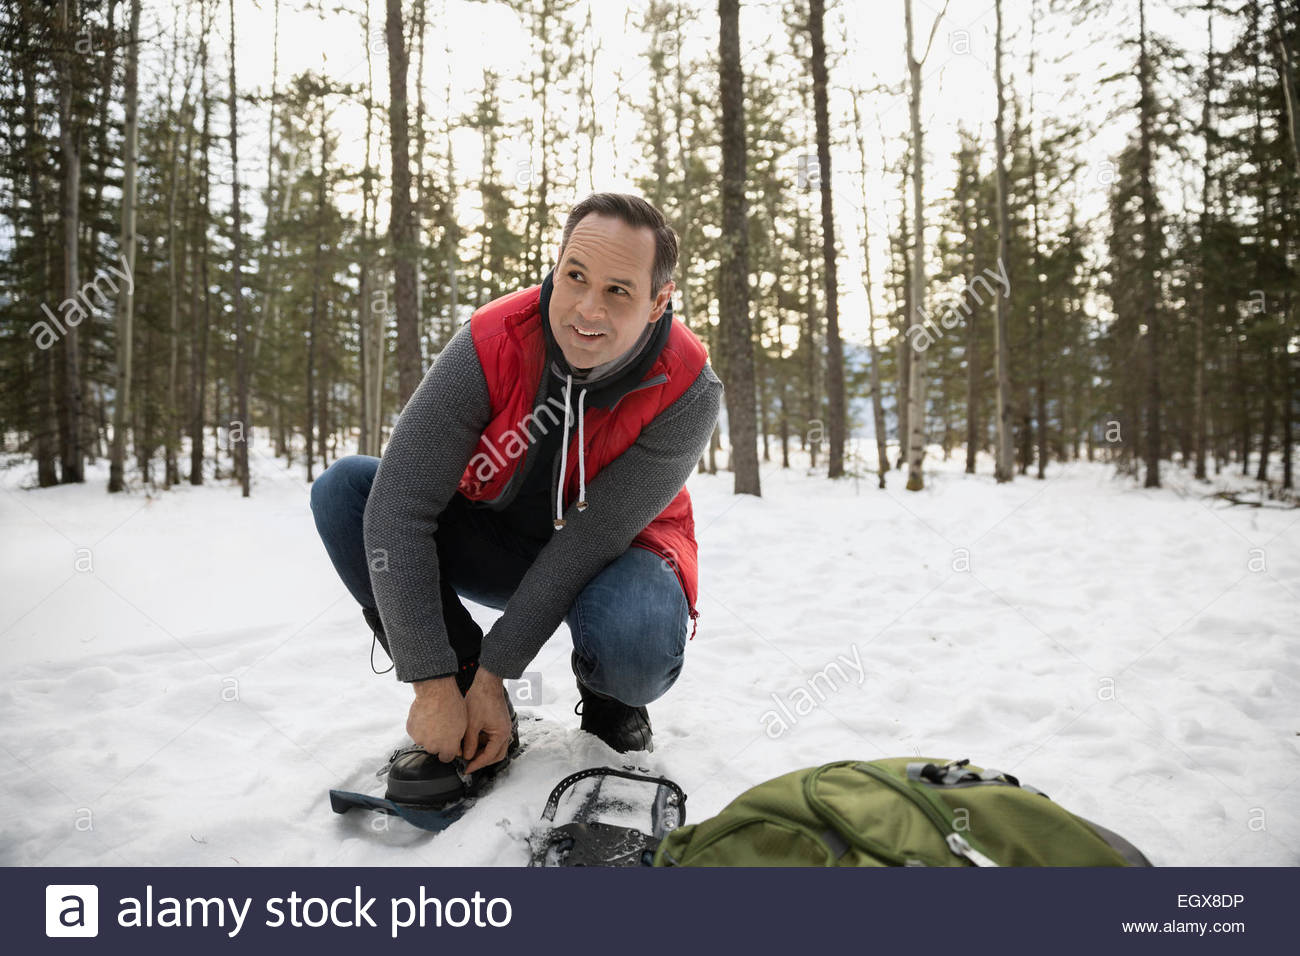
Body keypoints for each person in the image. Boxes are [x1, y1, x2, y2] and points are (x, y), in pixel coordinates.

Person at [310, 193, 723, 804]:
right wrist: (435, 680)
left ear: (659, 300)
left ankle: (613, 704)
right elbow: (401, 505)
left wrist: (500, 667)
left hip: (612, 564)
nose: (587, 308)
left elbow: (589, 540)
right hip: (498, 541)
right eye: (575, 277)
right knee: (349, 491)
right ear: (555, 268)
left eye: (618, 291)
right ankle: (463, 689)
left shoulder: (688, 386)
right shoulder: (492, 340)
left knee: (634, 629)